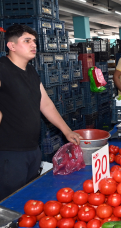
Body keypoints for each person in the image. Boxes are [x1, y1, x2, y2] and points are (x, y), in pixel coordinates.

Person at [0, 24, 82, 201]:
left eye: (34, 41)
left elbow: (46, 104)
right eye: (27, 41)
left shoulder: (30, 71)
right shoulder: (2, 68)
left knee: (28, 200)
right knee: (10, 204)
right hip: (9, 153)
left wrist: (66, 130)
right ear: (11, 46)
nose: (33, 45)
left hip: (32, 150)